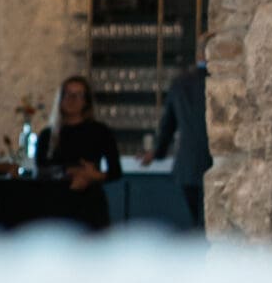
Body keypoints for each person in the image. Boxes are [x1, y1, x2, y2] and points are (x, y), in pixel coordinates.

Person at [36, 72, 122, 232]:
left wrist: (95, 176)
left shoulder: (100, 131)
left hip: (90, 205)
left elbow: (115, 171)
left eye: (78, 95)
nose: (72, 100)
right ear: (60, 99)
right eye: (67, 94)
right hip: (56, 205)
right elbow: (41, 167)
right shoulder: (48, 135)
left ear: (86, 101)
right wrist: (71, 172)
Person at [142, 43, 211, 230]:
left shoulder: (181, 83)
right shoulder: (223, 80)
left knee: (197, 226)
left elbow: (168, 125)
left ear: (198, 54)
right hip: (216, 161)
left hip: (188, 166)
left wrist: (157, 152)